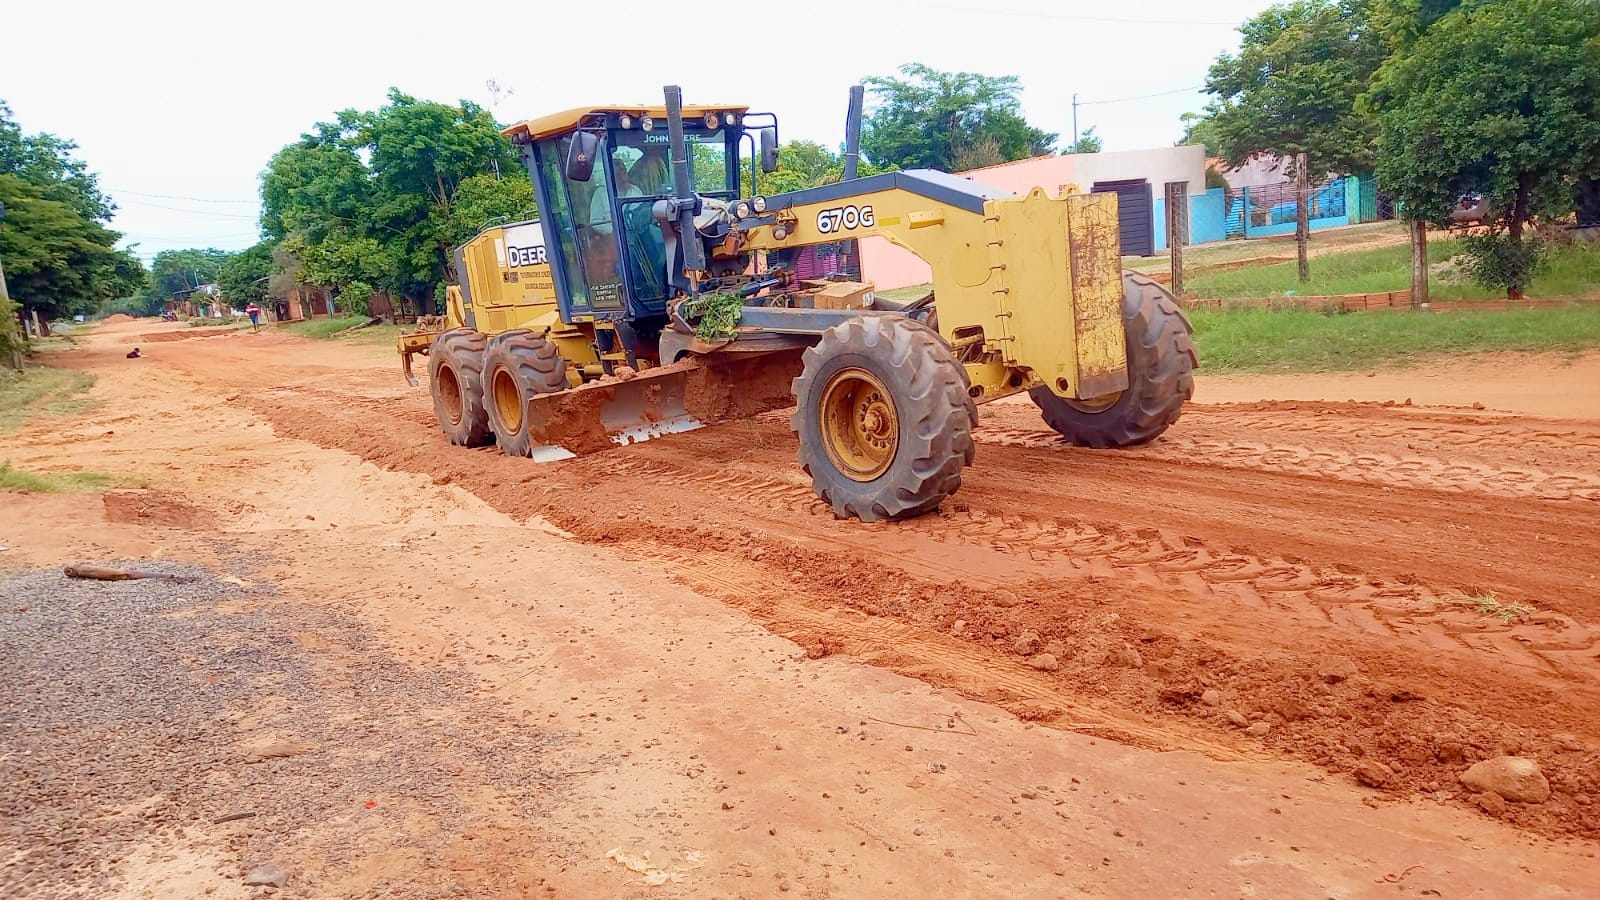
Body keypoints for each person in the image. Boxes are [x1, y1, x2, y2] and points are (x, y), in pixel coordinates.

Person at [589, 158, 642, 235]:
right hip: (613, 239)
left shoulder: (636, 190)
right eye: (617, 165)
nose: (623, 169)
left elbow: (643, 215)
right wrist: (615, 231)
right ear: (610, 174)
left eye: (623, 169)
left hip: (637, 236)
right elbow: (595, 222)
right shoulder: (600, 193)